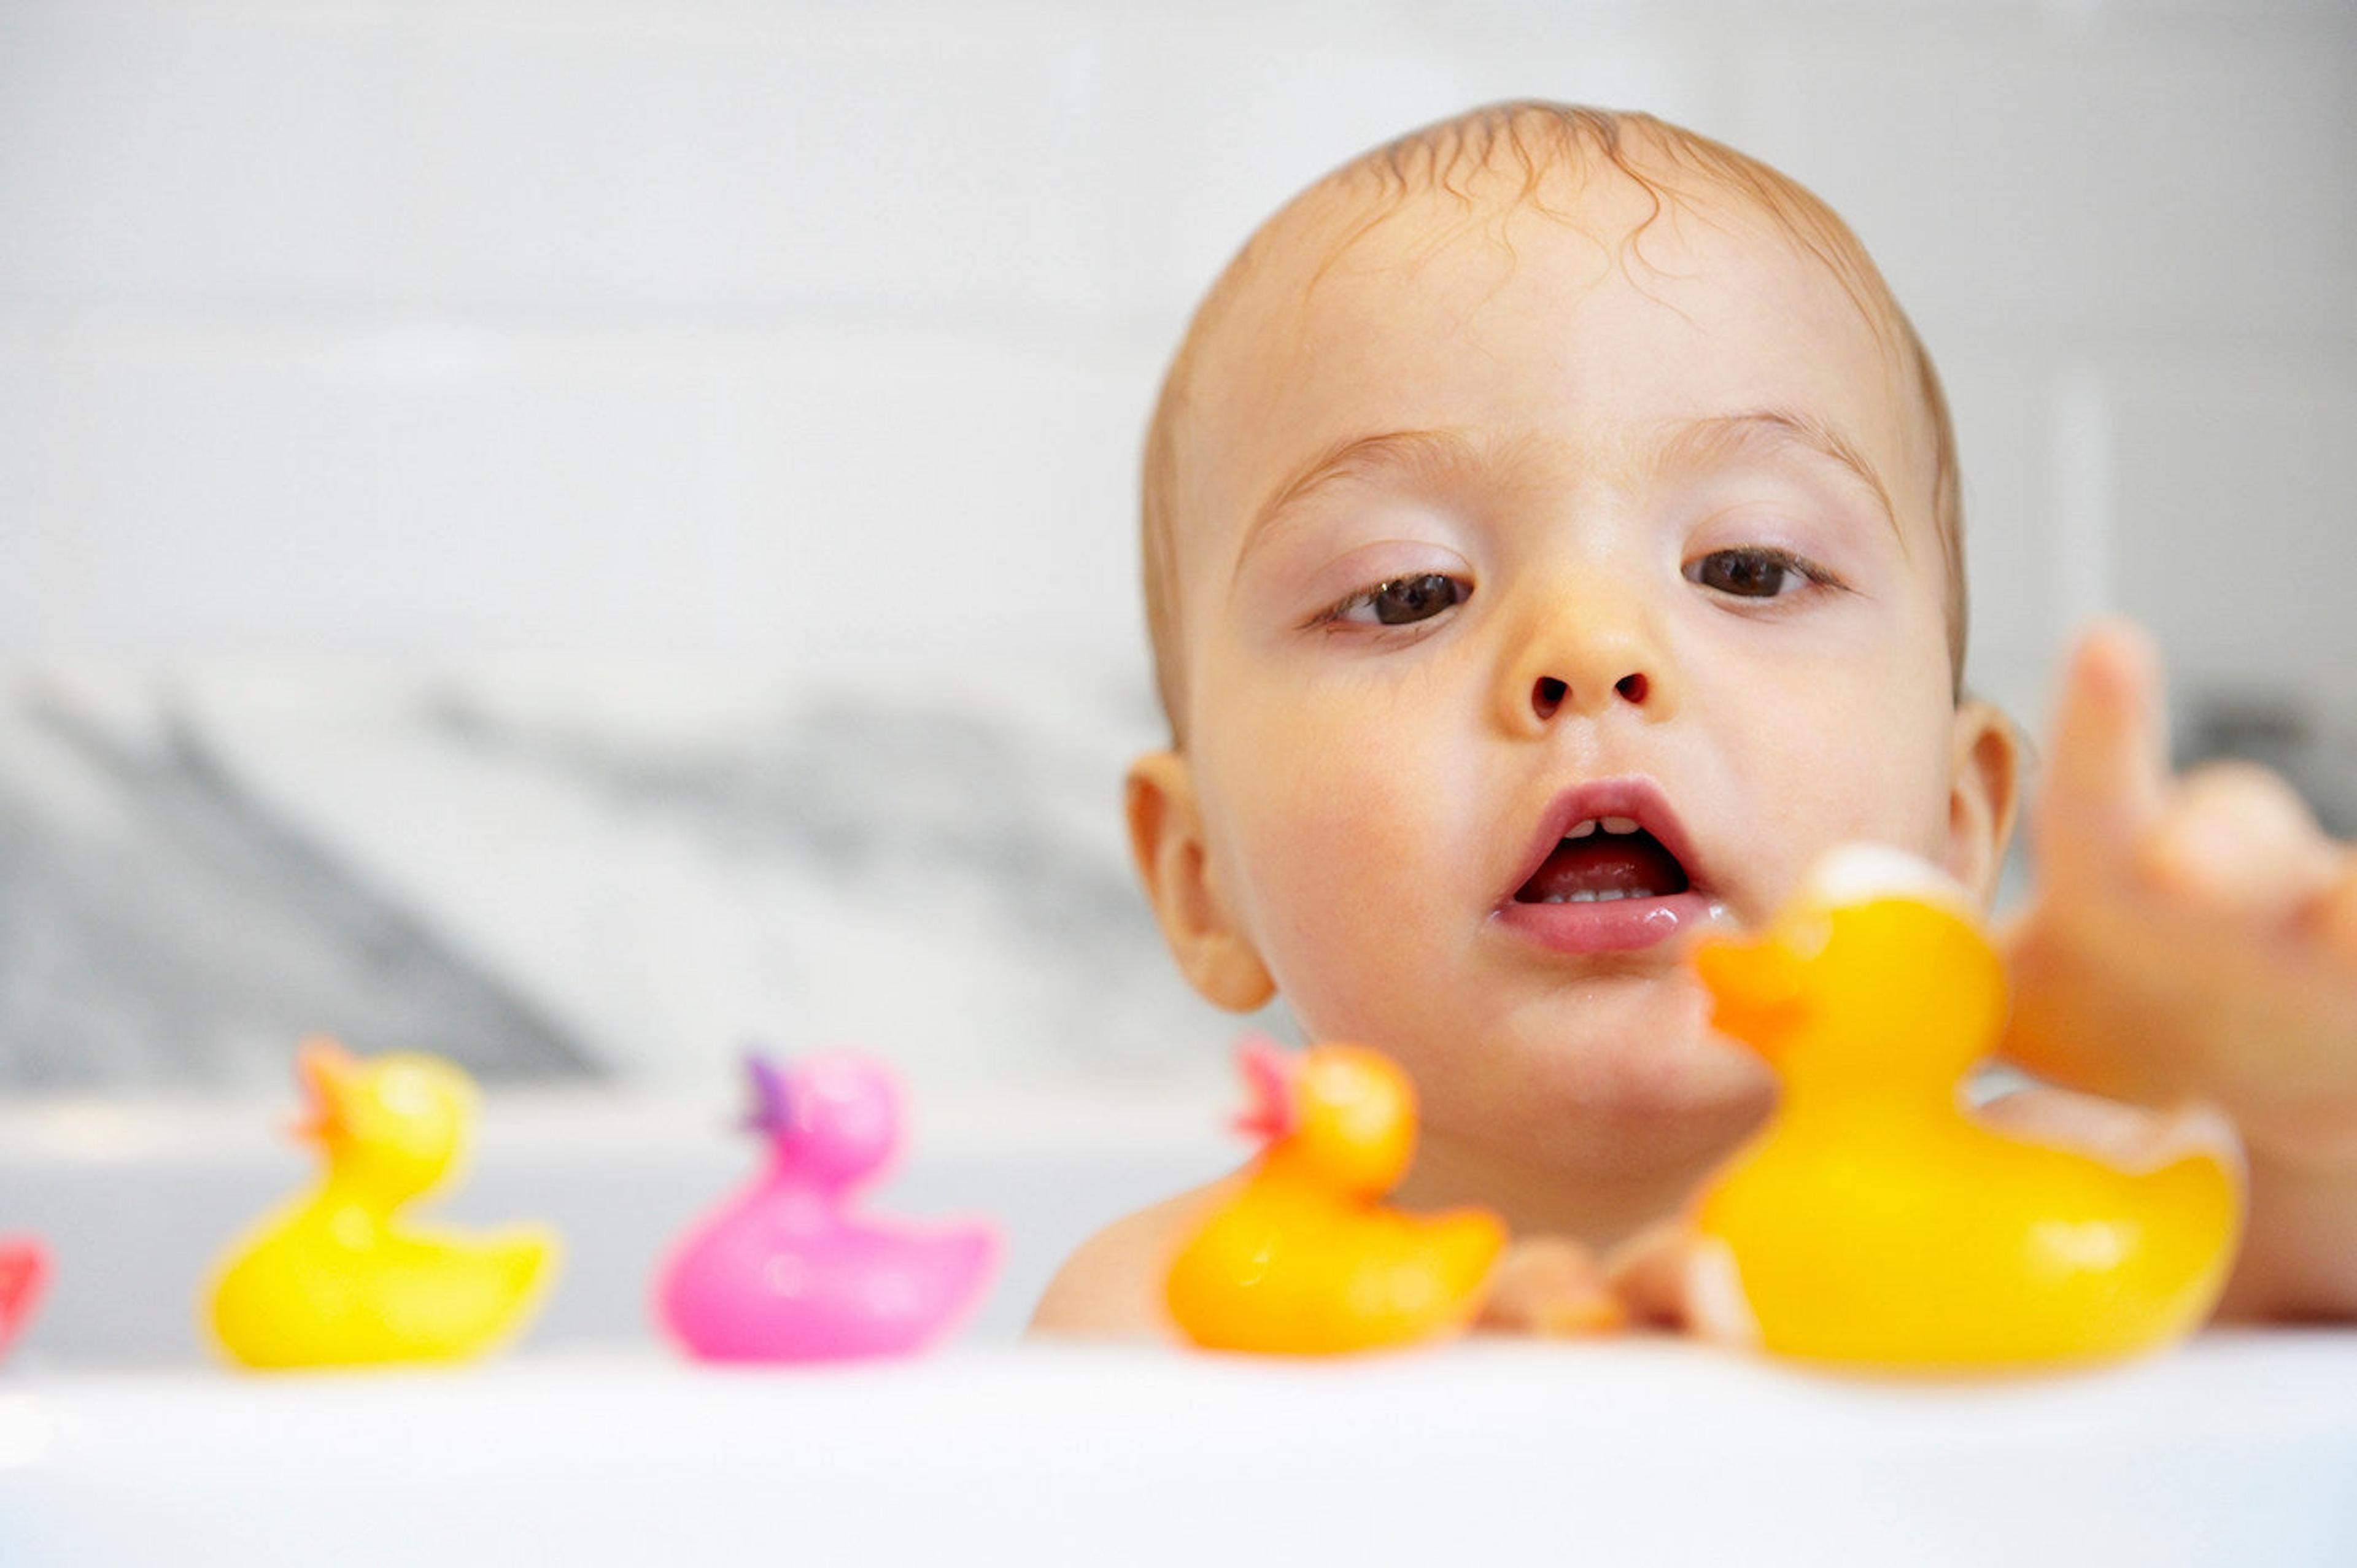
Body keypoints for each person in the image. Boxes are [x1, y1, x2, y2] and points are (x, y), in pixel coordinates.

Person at [1029, 102, 2357, 1335]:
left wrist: (2305, 1117)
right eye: (1407, 593)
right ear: (1200, 881)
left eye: (1751, 570)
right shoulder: (1171, 1317)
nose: (1595, 654)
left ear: (1955, 834)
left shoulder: (2074, 1208)